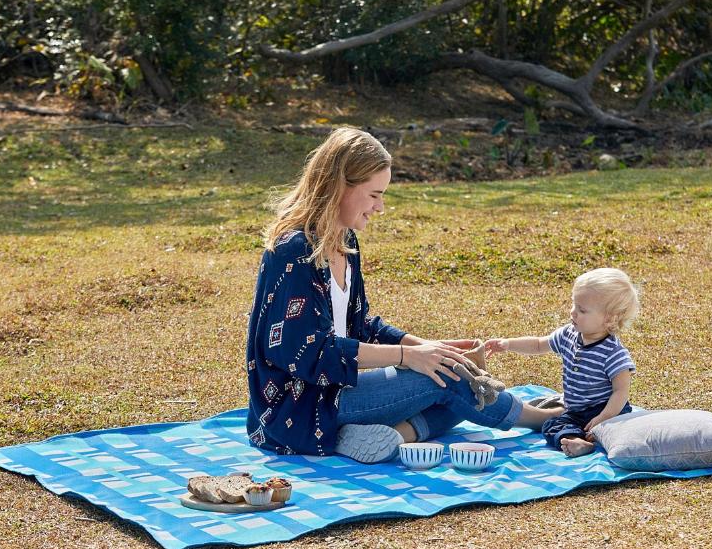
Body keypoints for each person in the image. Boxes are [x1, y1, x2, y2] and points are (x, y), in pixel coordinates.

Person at [245, 127, 562, 463]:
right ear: (339, 186)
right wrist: (406, 357)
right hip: (300, 406)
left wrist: (426, 347)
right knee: (446, 380)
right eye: (373, 195)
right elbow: (308, 353)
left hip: (335, 393)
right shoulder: (294, 252)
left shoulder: (345, 241)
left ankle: (392, 435)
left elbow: (362, 324)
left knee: (445, 376)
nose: (380, 207)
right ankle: (539, 417)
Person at [485, 268, 640, 457]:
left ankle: (598, 435)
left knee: (614, 429)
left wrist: (603, 418)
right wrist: (507, 344)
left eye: (582, 310)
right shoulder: (569, 334)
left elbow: (621, 392)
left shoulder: (613, 353)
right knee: (551, 424)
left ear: (610, 319)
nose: (573, 313)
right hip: (575, 411)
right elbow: (538, 344)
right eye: (574, 304)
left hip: (608, 410)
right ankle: (577, 442)